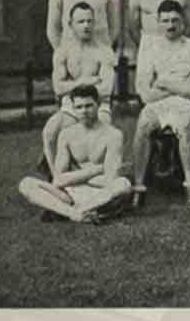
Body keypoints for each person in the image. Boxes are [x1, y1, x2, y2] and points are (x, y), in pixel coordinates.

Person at [130, 0, 190, 207]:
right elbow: (145, 95)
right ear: (158, 22)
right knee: (143, 124)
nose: (170, 25)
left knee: (184, 127)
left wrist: (165, 83)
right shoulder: (149, 50)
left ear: (183, 21)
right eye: (165, 21)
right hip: (157, 103)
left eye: (175, 20)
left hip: (185, 104)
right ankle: (138, 187)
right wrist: (180, 85)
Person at [19, 85, 131, 223]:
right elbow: (58, 180)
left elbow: (110, 179)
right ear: (73, 108)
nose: (84, 111)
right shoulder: (67, 135)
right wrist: (96, 170)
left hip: (101, 194)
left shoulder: (113, 135)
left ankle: (74, 211)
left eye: (88, 106)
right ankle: (76, 214)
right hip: (72, 194)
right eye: (79, 107)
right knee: (26, 184)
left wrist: (73, 177)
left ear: (98, 105)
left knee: (123, 184)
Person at [42, 2, 116, 177]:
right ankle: (58, 179)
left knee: (103, 129)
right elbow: (58, 88)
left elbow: (106, 89)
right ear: (70, 24)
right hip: (70, 107)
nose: (86, 26)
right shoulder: (62, 51)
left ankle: (101, 178)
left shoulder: (104, 51)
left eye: (90, 21)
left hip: (99, 105)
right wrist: (85, 81)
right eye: (81, 21)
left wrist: (72, 85)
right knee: (50, 131)